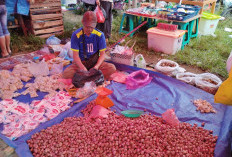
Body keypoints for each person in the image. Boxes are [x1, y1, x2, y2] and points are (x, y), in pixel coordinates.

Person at [62, 11, 116, 80]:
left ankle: (85, 78)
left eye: (92, 27)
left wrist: (96, 67)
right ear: (82, 22)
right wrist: (82, 67)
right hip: (81, 63)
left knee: (112, 68)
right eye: (87, 27)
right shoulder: (76, 35)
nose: (89, 29)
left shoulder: (100, 35)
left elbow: (102, 55)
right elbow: (75, 56)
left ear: (95, 24)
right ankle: (93, 78)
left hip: (95, 63)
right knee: (66, 74)